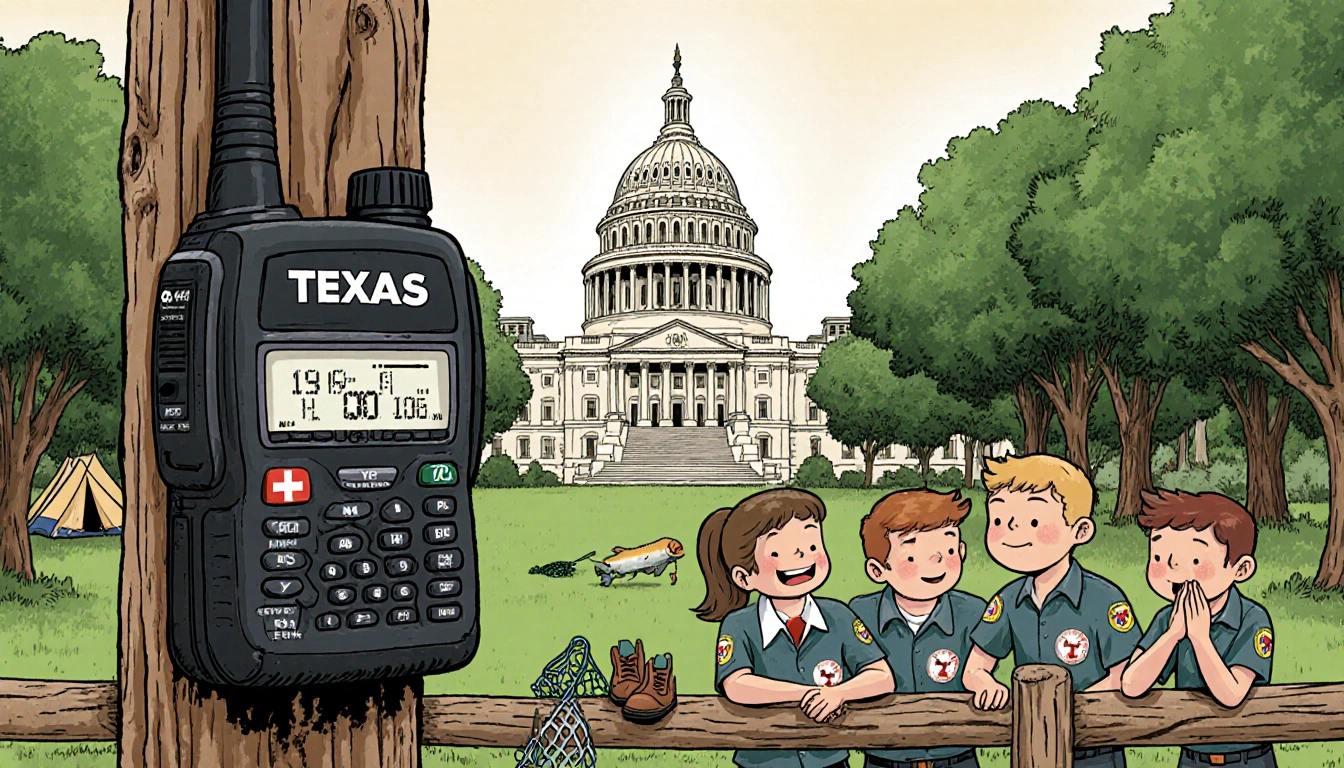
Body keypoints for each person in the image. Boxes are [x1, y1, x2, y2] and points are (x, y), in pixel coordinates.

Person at [962, 454, 1141, 768]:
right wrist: (985, 684)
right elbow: (975, 667)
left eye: (1033, 522)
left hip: (1096, 749)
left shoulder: (1104, 598)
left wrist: (1066, 707)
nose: (1011, 533)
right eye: (1000, 520)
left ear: (1080, 531)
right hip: (1030, 746)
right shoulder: (1008, 600)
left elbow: (1125, 676)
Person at [694, 488, 895, 768]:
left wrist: (838, 693)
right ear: (743, 577)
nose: (803, 556)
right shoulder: (739, 624)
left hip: (830, 758)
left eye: (813, 546)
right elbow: (737, 685)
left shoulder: (838, 615)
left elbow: (882, 676)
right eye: (778, 551)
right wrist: (805, 694)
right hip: (763, 760)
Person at [1120, 489, 1276, 768]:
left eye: (1195, 561)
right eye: (1159, 558)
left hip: (1247, 758)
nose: (1173, 570)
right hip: (1192, 757)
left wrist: (1200, 638)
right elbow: (1131, 684)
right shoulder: (1167, 618)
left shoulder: (1252, 619)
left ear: (1240, 570)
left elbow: (1231, 694)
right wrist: (1172, 635)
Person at [850, 488, 986, 768]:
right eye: (912, 557)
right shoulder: (859, 614)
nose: (935, 563)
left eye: (947, 550)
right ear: (878, 570)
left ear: (961, 551)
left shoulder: (974, 613)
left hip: (955, 758)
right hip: (884, 759)